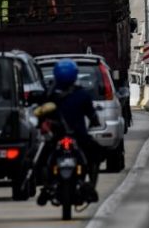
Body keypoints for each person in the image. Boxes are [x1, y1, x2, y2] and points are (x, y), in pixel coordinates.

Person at [37, 59, 102, 202]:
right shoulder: (82, 94)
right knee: (95, 155)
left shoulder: (50, 94)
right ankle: (91, 187)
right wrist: (95, 122)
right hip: (79, 136)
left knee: (40, 159)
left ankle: (46, 187)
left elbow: (40, 115)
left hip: (55, 137)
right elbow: (92, 116)